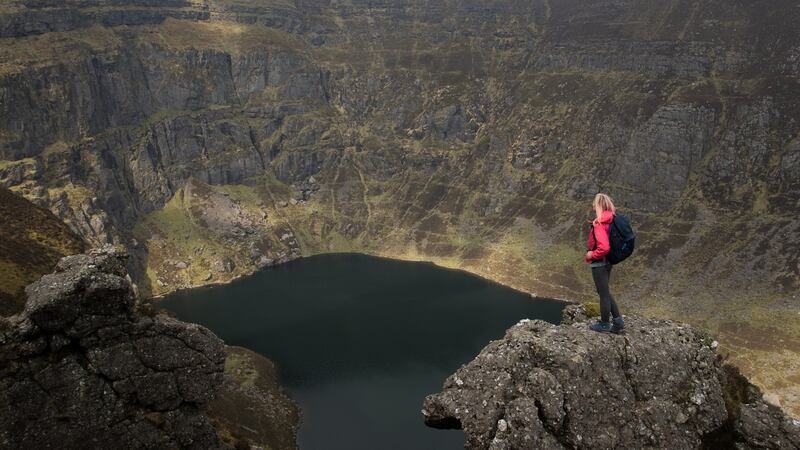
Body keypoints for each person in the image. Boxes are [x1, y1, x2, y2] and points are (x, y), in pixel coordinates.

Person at [584, 193, 625, 333]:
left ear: (599, 204)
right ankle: (618, 321)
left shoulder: (600, 223)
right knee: (605, 291)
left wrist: (591, 254)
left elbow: (604, 247)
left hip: (600, 263)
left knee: (603, 292)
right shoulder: (610, 220)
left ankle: (605, 323)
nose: (593, 206)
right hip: (608, 262)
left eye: (594, 203)